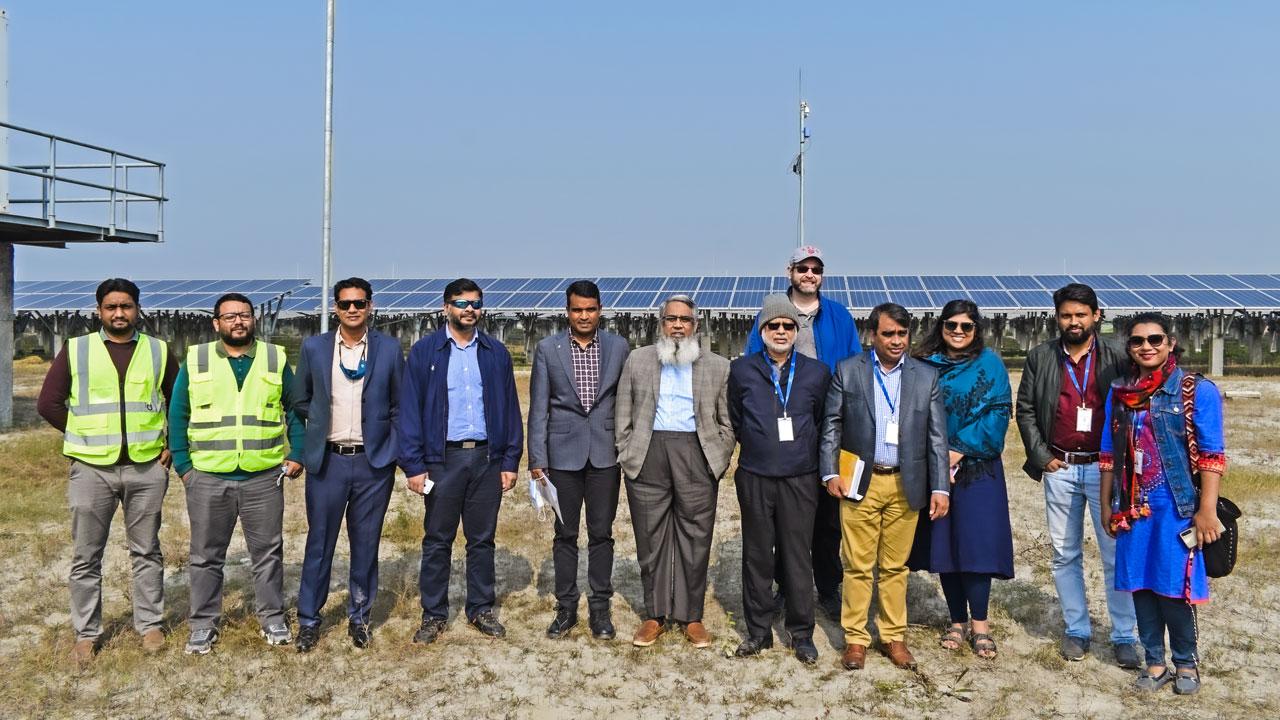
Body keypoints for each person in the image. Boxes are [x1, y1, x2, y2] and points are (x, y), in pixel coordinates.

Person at [37, 278, 179, 665]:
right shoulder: (77, 350)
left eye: (127, 306)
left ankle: (149, 625)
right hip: (91, 470)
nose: (120, 313)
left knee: (147, 550)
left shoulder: (158, 351)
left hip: (146, 468)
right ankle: (86, 633)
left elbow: (179, 401)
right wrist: (82, 436)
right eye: (112, 307)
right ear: (99, 310)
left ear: (137, 309)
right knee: (86, 555)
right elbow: (49, 403)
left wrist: (172, 444)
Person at [170, 293, 306, 655]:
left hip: (263, 477)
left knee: (268, 553)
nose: (238, 322)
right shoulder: (196, 359)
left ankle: (273, 617)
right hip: (208, 476)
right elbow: (178, 413)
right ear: (216, 323)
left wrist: (298, 453)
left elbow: (294, 410)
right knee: (205, 555)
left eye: (244, 315)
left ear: (253, 320)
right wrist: (184, 466)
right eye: (229, 316)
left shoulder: (274, 358)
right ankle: (202, 625)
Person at [1100, 313, 1226, 695]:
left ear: (1171, 343)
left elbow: (1211, 456)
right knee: (1140, 585)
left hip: (1178, 507)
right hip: (1133, 507)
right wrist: (1107, 504)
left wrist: (1206, 510)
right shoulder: (1120, 390)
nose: (1146, 347)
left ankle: (1185, 663)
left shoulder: (1195, 390)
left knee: (1174, 589)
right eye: (1138, 341)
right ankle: (1154, 662)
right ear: (1130, 348)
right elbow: (1108, 451)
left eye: (1155, 339)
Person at [819, 302, 949, 671]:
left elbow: (937, 437)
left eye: (902, 334)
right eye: (888, 333)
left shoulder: (927, 377)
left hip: (905, 484)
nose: (896, 341)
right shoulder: (849, 371)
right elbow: (832, 424)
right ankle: (856, 639)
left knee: (895, 567)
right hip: (861, 481)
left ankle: (894, 636)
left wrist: (940, 487)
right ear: (872, 335)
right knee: (858, 565)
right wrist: (831, 473)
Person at [1015, 283, 1139, 666]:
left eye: (1081, 315)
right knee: (1064, 554)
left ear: (1096, 317)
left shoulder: (1119, 357)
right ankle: (1077, 630)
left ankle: (1123, 635)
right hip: (1062, 467)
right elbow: (1026, 410)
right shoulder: (1040, 357)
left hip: (1106, 471)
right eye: (1067, 315)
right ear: (1058, 318)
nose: (1074, 321)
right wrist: (1042, 456)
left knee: (1115, 553)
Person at [400, 278, 523, 644]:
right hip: (443, 460)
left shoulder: (495, 353)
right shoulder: (426, 352)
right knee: (438, 539)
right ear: (446, 308)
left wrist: (510, 460)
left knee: (482, 539)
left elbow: (511, 410)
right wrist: (414, 465)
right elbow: (409, 411)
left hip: (486, 458)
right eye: (461, 303)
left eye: (475, 303)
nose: (469, 309)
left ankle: (480, 609)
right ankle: (434, 614)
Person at [745, 245, 861, 617]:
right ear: (790, 271)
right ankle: (784, 585)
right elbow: (751, 365)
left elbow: (855, 366)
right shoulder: (773, 314)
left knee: (828, 518)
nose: (809, 274)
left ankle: (828, 586)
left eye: (816, 269)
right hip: (784, 433)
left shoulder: (839, 316)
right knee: (782, 520)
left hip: (829, 428)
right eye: (803, 268)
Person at [292, 277, 404, 652]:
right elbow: (300, 399)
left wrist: (393, 450)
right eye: (345, 303)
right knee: (319, 543)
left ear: (370, 306)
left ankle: (360, 616)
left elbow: (398, 405)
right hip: (329, 462)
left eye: (359, 303)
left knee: (366, 544)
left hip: (373, 465)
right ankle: (309, 619)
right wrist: (322, 421)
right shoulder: (315, 348)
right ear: (336, 308)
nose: (352, 309)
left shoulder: (389, 349)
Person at [616, 294, 734, 649]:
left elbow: (727, 421)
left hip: (696, 456)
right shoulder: (638, 360)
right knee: (650, 540)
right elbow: (623, 410)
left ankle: (691, 616)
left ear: (696, 326)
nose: (678, 325)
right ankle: (654, 615)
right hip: (648, 453)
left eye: (685, 319)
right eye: (671, 319)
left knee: (695, 539)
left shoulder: (717, 365)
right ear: (661, 324)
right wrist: (626, 449)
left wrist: (719, 454)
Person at [907, 300, 1013, 660]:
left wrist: (958, 449)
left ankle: (980, 624)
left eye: (966, 326)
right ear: (941, 326)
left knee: (976, 546)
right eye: (951, 324)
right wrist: (936, 454)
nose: (957, 331)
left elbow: (999, 413)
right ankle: (956, 620)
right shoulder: (922, 365)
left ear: (976, 330)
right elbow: (911, 412)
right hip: (934, 470)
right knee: (945, 545)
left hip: (977, 469)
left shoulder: (991, 365)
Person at [728, 295, 831, 664]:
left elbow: (820, 421)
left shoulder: (816, 373)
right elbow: (736, 418)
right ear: (763, 330)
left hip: (800, 478)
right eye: (774, 326)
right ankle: (757, 632)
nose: (782, 331)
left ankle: (801, 633)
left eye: (788, 325)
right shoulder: (742, 371)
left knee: (797, 556)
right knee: (756, 554)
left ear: (796, 330)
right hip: (755, 475)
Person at [527, 280, 630, 640]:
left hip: (605, 456)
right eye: (577, 310)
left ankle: (600, 609)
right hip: (562, 458)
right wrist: (537, 458)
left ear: (600, 310)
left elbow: (625, 401)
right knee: (565, 534)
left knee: (602, 534)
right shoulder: (548, 349)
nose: (584, 316)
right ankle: (566, 608)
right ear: (567, 311)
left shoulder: (618, 347)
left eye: (590, 310)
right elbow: (538, 407)